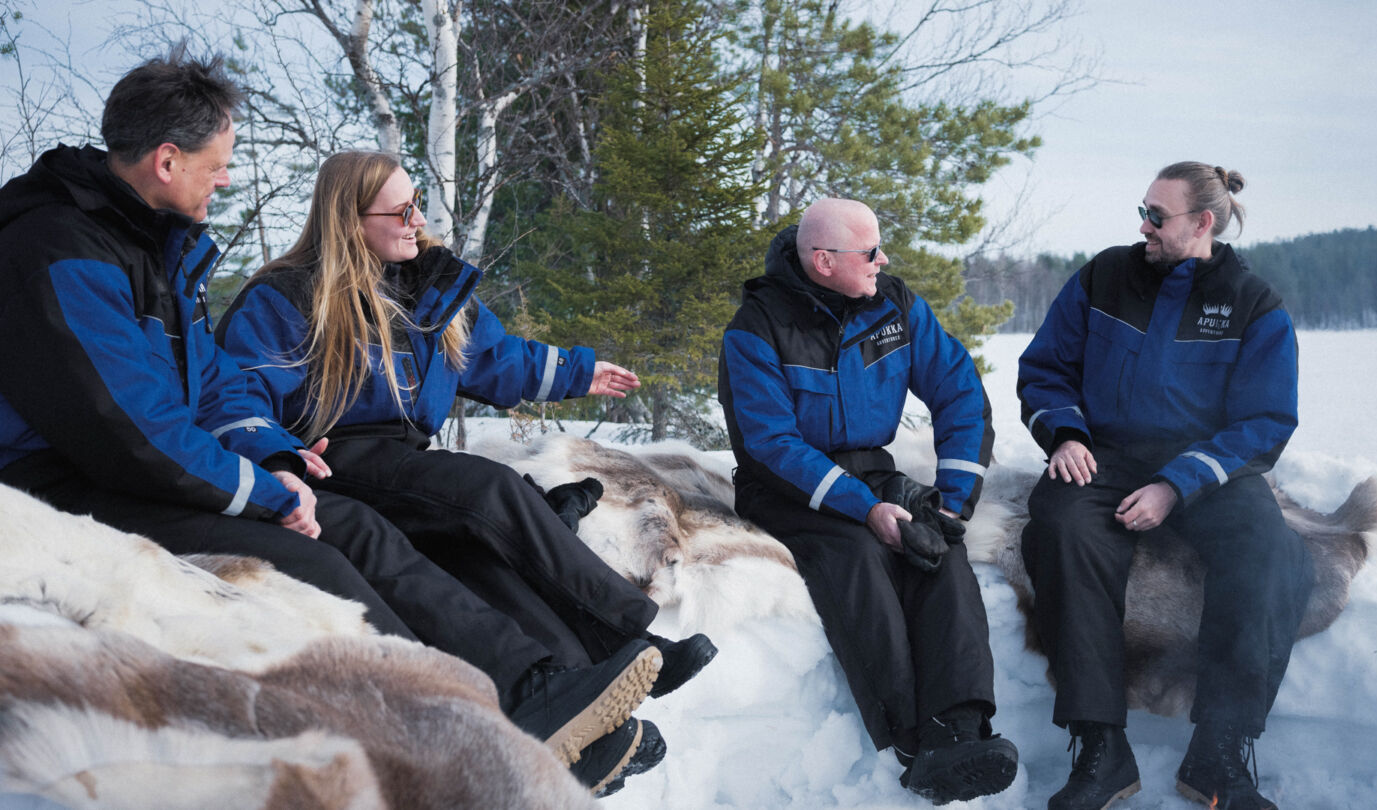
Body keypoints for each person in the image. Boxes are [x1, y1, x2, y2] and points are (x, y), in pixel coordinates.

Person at [0, 47, 666, 794]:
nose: (225, 178)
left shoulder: (149, 244)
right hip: (64, 478)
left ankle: (526, 693)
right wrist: (262, 488)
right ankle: (459, 740)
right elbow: (125, 424)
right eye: (218, 163)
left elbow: (213, 386)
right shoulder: (60, 248)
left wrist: (277, 460)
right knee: (325, 560)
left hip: (154, 463)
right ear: (165, 160)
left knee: (367, 529)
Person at [215, 149, 718, 794]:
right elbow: (235, 393)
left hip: (405, 460)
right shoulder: (286, 297)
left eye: (417, 202)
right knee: (491, 489)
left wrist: (577, 372)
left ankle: (575, 727)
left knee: (484, 564)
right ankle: (628, 633)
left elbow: (497, 358)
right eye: (398, 210)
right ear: (349, 218)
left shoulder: (426, 287)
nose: (416, 220)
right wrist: (276, 456)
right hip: (335, 456)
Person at [1017, 162, 1314, 810]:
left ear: (1202, 223)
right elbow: (1044, 370)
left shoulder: (1253, 302)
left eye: (1157, 215)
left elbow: (1265, 422)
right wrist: (1065, 435)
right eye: (1142, 210)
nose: (1143, 225)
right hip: (1105, 455)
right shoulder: (1102, 277)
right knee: (1062, 532)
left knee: (1269, 552)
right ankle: (1100, 749)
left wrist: (1176, 486)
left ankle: (1219, 752)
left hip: (1211, 466)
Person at [718, 198, 1018, 804]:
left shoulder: (895, 306)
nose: (883, 260)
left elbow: (960, 391)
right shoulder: (756, 328)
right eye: (870, 252)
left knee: (938, 549)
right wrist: (865, 508)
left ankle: (959, 726)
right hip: (787, 486)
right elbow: (772, 444)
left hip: (872, 471)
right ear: (824, 260)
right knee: (857, 554)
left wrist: (955, 503)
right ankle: (910, 740)